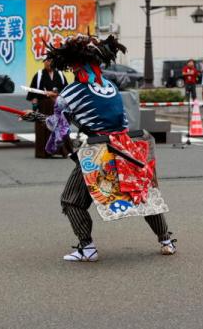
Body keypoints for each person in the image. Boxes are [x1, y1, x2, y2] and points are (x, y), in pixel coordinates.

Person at [41, 34, 175, 262]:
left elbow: (59, 131)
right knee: (141, 194)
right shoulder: (111, 87)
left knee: (71, 200)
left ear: (72, 64)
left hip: (98, 151)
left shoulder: (68, 94)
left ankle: (87, 248)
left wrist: (42, 118)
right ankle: (166, 240)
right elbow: (110, 115)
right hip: (126, 147)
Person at [27, 58, 68, 158]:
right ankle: (43, 152)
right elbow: (33, 92)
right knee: (43, 127)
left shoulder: (60, 74)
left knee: (59, 127)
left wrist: (55, 94)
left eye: (50, 61)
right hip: (43, 106)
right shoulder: (39, 75)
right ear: (43, 62)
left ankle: (62, 151)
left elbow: (66, 90)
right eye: (46, 61)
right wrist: (34, 101)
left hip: (57, 106)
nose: (48, 63)